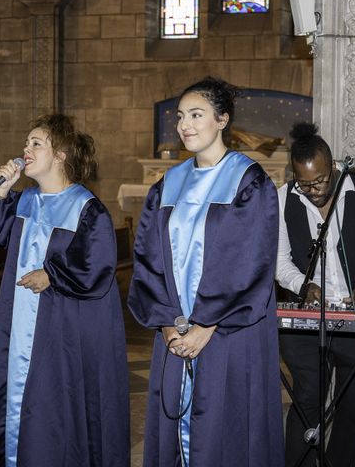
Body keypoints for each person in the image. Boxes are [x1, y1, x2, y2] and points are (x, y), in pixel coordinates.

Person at [128, 77, 284, 466]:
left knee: (224, 428)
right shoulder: (167, 185)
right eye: (180, 116)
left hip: (228, 332)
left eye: (196, 115)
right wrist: (165, 322)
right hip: (175, 333)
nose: (185, 125)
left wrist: (206, 325)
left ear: (222, 120)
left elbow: (249, 261)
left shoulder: (248, 181)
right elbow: (148, 258)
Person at [0, 114, 130, 467]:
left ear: (61, 154)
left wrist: (52, 275)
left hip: (61, 330)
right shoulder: (22, 201)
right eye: (26, 143)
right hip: (17, 324)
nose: (26, 149)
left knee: (52, 411)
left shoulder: (86, 208)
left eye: (36, 143)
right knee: (14, 398)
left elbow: (97, 265)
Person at [275, 122, 355, 467]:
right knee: (306, 404)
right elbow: (278, 259)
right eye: (305, 183)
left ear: (333, 167)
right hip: (305, 326)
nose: (314, 191)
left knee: (354, 410)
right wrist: (303, 284)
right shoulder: (284, 197)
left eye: (320, 182)